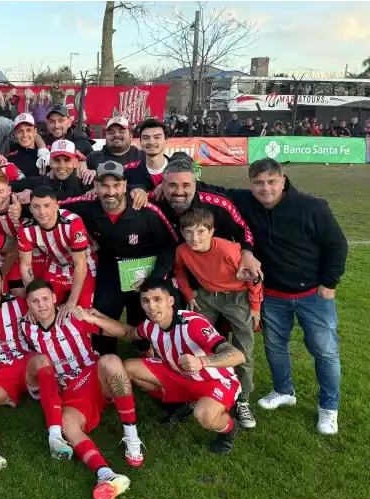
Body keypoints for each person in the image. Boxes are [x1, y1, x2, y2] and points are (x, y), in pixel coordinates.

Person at [199, 158, 347, 435]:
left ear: (283, 179)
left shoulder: (312, 207)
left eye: (271, 182)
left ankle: (329, 408)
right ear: (250, 183)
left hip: (313, 294)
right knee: (275, 347)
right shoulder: (245, 200)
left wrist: (329, 283)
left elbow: (337, 245)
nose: (265, 188)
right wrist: (161, 183)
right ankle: (283, 390)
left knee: (325, 352)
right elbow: (210, 189)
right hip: (273, 295)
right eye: (258, 182)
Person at [21, 280, 142, 499]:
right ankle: (105, 474)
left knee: (112, 361)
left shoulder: (73, 316)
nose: (41, 305)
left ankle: (132, 439)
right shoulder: (24, 327)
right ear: (27, 304)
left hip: (93, 375)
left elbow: (124, 331)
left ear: (55, 298)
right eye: (35, 301)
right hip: (70, 390)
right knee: (66, 423)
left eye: (46, 298)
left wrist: (92, 318)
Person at [97, 279, 245, 454]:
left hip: (215, 380)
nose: (151, 306)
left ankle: (230, 428)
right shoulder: (150, 325)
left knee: (204, 415)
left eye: (157, 299)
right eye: (146, 300)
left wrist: (202, 362)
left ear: (171, 301)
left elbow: (238, 355)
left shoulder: (192, 323)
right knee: (128, 367)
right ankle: (181, 402)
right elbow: (127, 332)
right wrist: (94, 318)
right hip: (178, 373)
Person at [0, 265, 71, 481]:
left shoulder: (18, 304)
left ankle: (56, 437)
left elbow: (47, 319)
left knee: (42, 360)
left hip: (24, 363)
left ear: (2, 284)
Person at [62, 161, 178, 356]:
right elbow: (51, 204)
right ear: (96, 187)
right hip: (110, 268)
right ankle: (105, 355)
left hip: (144, 269)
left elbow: (169, 247)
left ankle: (147, 349)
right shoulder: (87, 206)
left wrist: (154, 279)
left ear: (125, 185)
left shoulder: (147, 211)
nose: (110, 191)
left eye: (116, 185)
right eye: (104, 186)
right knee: (103, 310)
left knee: (143, 312)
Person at [173, 208, 262, 428]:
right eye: (189, 232)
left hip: (237, 296)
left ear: (212, 231)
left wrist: (256, 306)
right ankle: (201, 390)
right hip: (206, 296)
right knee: (194, 341)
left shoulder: (227, 250)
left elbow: (254, 277)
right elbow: (179, 270)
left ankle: (243, 399)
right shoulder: (183, 250)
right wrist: (188, 294)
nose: (195, 238)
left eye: (201, 231)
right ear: (182, 233)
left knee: (243, 346)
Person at [152, 157, 262, 279]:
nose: (179, 191)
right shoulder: (151, 202)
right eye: (172, 185)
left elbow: (244, 229)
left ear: (195, 184)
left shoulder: (219, 204)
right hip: (172, 275)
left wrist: (247, 252)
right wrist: (137, 189)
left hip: (214, 276)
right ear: (162, 185)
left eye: (186, 185)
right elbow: (130, 197)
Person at [18, 187, 96, 318]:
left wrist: (71, 302)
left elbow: (80, 264)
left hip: (84, 265)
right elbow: (25, 266)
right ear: (31, 209)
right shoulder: (26, 229)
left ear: (56, 206)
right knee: (43, 308)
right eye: (36, 207)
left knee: (81, 314)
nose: (41, 212)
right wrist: (32, 297)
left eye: (47, 206)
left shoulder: (73, 222)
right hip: (56, 265)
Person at [123, 118, 170, 196]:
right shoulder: (128, 170)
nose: (151, 142)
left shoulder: (178, 170)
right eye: (145, 138)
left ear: (166, 141)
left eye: (157, 137)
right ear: (140, 142)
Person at [6, 113, 50, 177]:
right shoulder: (9, 159)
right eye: (20, 131)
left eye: (29, 130)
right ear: (15, 134)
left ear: (35, 131)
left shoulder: (47, 153)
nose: (25, 135)